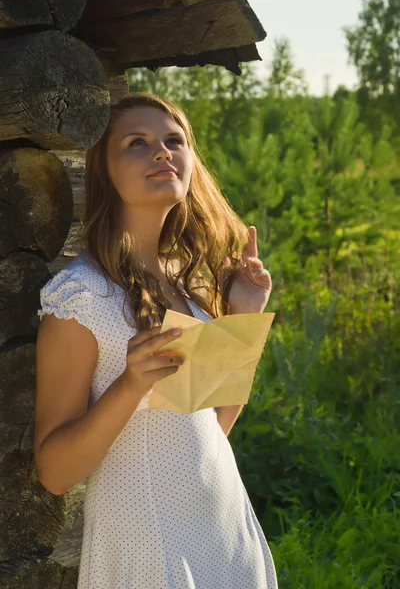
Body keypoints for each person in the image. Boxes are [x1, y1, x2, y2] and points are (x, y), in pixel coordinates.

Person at [34, 92, 277, 588]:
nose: (163, 152)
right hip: (147, 547)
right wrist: (128, 386)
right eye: (137, 143)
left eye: (173, 141)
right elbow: (54, 472)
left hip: (225, 533)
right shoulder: (80, 296)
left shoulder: (189, 289)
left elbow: (211, 428)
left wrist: (244, 318)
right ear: (105, 172)